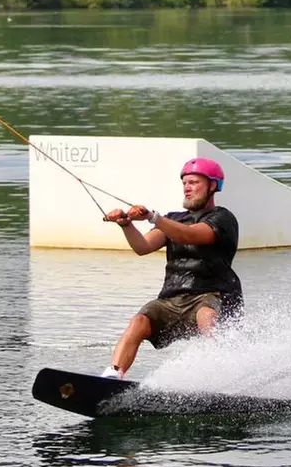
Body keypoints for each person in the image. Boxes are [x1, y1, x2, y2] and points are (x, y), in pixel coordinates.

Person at [100, 157, 242, 378]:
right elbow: (142, 246)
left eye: (194, 182)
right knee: (140, 321)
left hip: (211, 294)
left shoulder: (223, 219)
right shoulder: (174, 219)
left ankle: (223, 373)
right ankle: (113, 374)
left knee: (206, 316)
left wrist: (152, 217)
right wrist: (126, 224)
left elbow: (189, 235)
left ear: (213, 186)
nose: (187, 187)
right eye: (184, 183)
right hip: (172, 299)